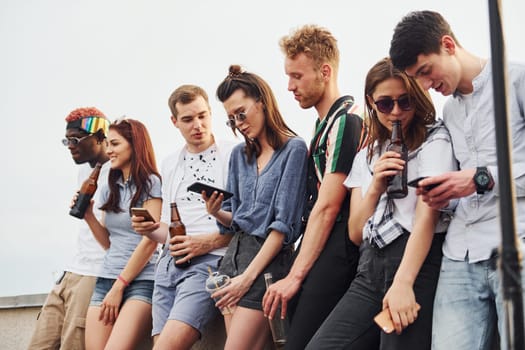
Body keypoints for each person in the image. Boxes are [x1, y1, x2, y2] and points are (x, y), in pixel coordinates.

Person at [389, 10, 525, 350]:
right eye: (415, 79)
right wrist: (445, 194)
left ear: (448, 45)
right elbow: (468, 185)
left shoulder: (516, 81)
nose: (424, 85)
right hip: (459, 255)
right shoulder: (449, 113)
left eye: (425, 71)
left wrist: (480, 178)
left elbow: (479, 179)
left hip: (515, 245)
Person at [306, 57, 457, 349]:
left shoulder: (434, 140)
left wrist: (403, 283)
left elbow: (426, 218)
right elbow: (355, 232)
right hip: (371, 266)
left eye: (406, 101)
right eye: (386, 104)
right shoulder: (369, 153)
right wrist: (375, 185)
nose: (397, 112)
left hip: (415, 261)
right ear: (371, 103)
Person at [262, 24, 366, 349]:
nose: (290, 86)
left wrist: (294, 276)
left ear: (325, 71)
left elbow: (328, 205)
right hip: (321, 241)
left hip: (340, 245)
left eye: (297, 76)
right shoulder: (323, 123)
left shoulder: (347, 120)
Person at [203, 64, 308, 349]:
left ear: (261, 103)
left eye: (241, 113)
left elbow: (282, 226)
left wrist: (247, 280)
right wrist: (215, 211)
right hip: (232, 260)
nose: (239, 122)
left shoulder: (294, 149)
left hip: (266, 265)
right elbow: (236, 220)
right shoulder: (239, 155)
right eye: (231, 119)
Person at [131, 84, 235, 349]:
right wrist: (148, 229)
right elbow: (168, 231)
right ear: (174, 122)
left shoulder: (234, 154)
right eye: (188, 119)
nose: (197, 125)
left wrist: (207, 243)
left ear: (211, 113)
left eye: (202, 116)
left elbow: (247, 223)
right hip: (166, 267)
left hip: (207, 265)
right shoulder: (170, 163)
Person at [27, 107, 110, 350]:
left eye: (75, 139)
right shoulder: (83, 170)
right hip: (71, 270)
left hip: (95, 272)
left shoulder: (118, 173)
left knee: (73, 345)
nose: (70, 146)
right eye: (67, 140)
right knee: (39, 344)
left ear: (99, 137)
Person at [81, 117, 162, 349]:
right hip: (107, 278)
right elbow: (108, 242)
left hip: (141, 281)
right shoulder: (109, 186)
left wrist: (120, 286)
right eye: (107, 144)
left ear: (134, 144)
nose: (108, 150)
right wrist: (88, 216)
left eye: (115, 144)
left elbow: (150, 241)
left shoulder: (152, 183)